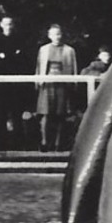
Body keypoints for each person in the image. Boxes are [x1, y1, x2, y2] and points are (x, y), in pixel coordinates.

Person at [35, 24, 78, 152]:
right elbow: (38, 67)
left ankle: (58, 143)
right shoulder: (43, 49)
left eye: (58, 34)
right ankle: (44, 142)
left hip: (62, 84)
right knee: (46, 114)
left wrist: (73, 83)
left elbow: (74, 68)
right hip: (47, 83)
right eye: (54, 34)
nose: (56, 37)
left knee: (61, 115)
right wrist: (38, 82)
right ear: (49, 36)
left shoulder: (69, 50)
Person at [0, 15, 31, 149]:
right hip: (1, 85)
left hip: (16, 86)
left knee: (16, 114)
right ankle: (0, 144)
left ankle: (19, 144)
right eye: (6, 24)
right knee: (1, 114)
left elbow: (22, 62)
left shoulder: (19, 41)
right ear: (1, 25)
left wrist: (9, 57)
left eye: (10, 24)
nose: (8, 26)